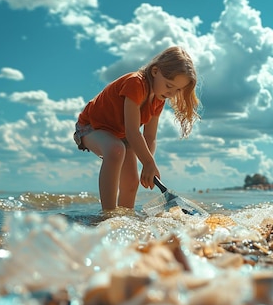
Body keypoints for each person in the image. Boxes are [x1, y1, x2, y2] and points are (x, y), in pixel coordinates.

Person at [74, 46, 200, 211]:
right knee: (115, 149)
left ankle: (126, 219)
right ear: (155, 71)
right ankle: (108, 215)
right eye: (169, 86)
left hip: (120, 134)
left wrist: (148, 165)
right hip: (91, 127)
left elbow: (150, 137)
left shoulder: (159, 100)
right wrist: (148, 162)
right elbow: (132, 131)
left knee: (132, 182)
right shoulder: (136, 83)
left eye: (177, 90)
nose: (171, 94)